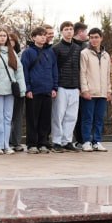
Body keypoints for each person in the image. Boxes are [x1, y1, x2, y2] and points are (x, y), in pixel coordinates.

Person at [21, 26, 59, 153]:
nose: (43, 37)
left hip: (47, 90)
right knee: (32, 119)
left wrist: (54, 87)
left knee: (45, 119)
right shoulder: (27, 52)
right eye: (40, 35)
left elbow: (54, 70)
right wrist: (28, 89)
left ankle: (43, 143)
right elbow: (24, 71)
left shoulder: (50, 52)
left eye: (44, 35)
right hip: (34, 91)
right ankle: (32, 144)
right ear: (33, 37)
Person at [50, 21, 83, 151]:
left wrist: (79, 86)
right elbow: (53, 68)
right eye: (66, 29)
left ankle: (67, 140)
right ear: (61, 32)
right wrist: (55, 86)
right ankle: (56, 141)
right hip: (61, 86)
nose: (69, 31)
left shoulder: (78, 48)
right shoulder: (56, 48)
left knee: (72, 116)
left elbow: (79, 68)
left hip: (74, 87)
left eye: (70, 29)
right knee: (58, 115)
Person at [78, 27, 111, 151]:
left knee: (99, 119)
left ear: (101, 38)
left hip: (102, 93)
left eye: (96, 37)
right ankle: (86, 141)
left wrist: (109, 90)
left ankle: (97, 141)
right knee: (87, 118)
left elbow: (108, 74)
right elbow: (82, 73)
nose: (94, 40)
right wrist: (84, 90)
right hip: (90, 92)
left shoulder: (106, 55)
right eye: (91, 37)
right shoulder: (84, 53)